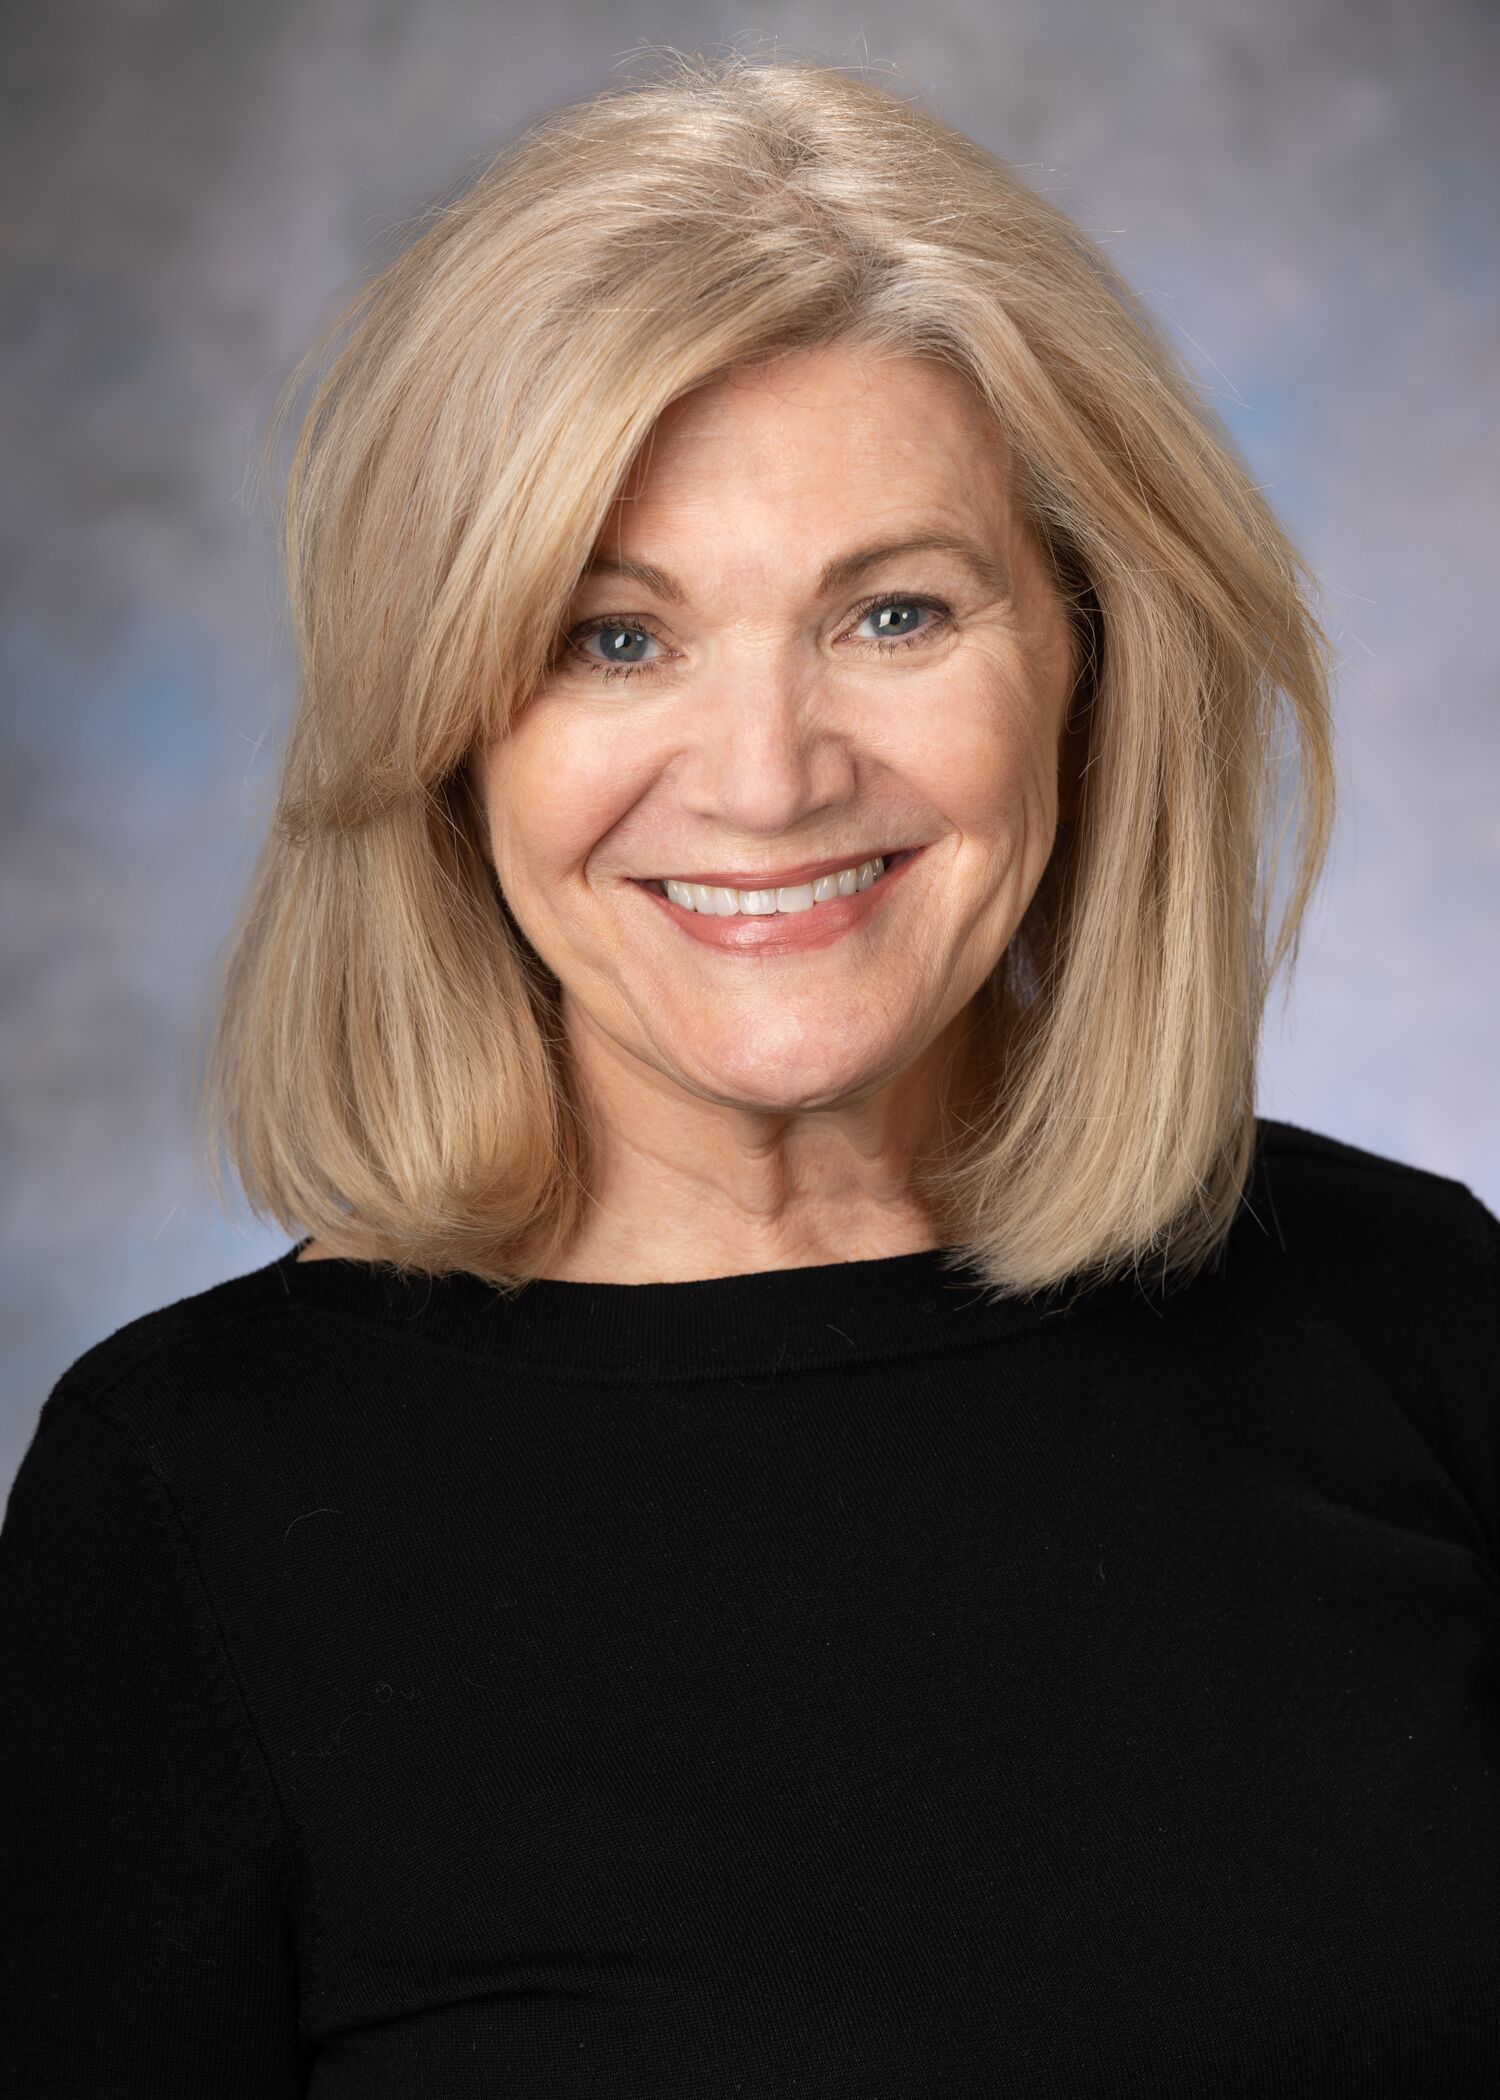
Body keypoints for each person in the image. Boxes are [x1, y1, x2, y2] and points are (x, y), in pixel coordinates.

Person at [2, 49, 1496, 2099]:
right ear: (448, 723)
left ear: (1086, 655)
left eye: (893, 612)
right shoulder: (187, 1495)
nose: (771, 775)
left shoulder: (1415, 1317)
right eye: (615, 639)